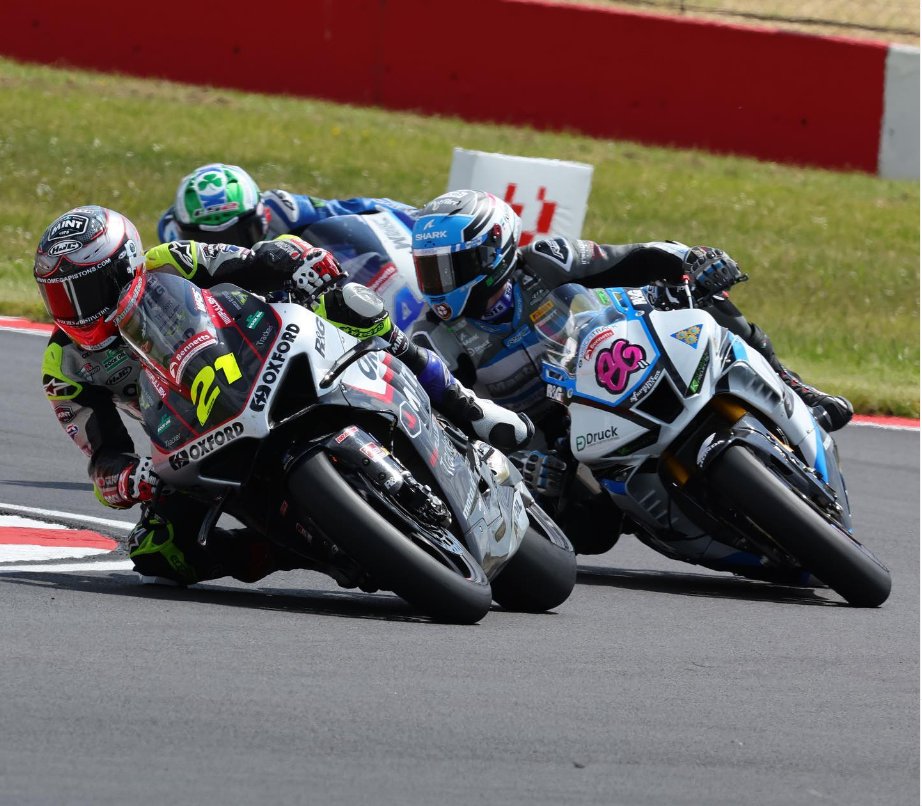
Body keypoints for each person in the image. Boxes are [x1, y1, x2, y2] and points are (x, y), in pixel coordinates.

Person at [34, 205, 531, 586]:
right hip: (192, 433)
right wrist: (126, 478)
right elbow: (102, 454)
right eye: (58, 297)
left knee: (352, 306)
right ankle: (298, 552)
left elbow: (252, 263)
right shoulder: (65, 364)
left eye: (83, 291)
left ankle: (467, 405)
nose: (72, 312)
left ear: (123, 268)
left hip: (259, 355)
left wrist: (297, 261)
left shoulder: (172, 261)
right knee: (159, 551)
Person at [406, 189, 854, 550]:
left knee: (704, 296)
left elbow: (636, 257)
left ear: (492, 252)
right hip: (557, 429)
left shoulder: (547, 260)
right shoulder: (437, 338)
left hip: (628, 349)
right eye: (428, 269)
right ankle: (653, 515)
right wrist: (514, 464)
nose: (437, 284)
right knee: (586, 529)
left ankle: (796, 386)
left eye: (450, 266)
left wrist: (694, 261)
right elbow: (448, 423)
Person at [157, 162, 416, 246]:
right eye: (207, 243)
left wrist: (416, 216)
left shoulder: (283, 209)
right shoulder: (169, 238)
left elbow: (354, 207)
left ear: (262, 215)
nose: (223, 252)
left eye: (237, 237)